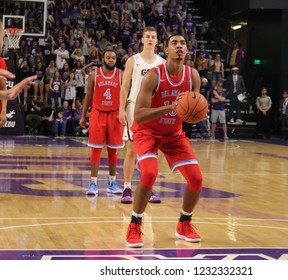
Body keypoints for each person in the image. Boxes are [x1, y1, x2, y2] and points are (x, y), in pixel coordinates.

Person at [125, 34, 203, 248]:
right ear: (166, 51)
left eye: (183, 43)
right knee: (149, 172)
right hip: (146, 131)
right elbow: (139, 114)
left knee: (196, 178)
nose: (179, 46)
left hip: (173, 134)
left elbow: (193, 109)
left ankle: (184, 223)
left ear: (187, 50)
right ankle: (134, 224)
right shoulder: (153, 75)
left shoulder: (192, 76)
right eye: (174, 43)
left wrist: (195, 112)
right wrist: (171, 107)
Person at [119, 27, 164, 204]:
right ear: (142, 40)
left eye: (153, 37)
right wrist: (121, 109)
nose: (151, 39)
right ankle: (127, 187)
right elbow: (124, 86)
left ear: (157, 41)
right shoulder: (133, 60)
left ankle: (149, 187)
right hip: (134, 108)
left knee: (152, 151)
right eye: (148, 37)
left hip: (154, 110)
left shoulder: (161, 62)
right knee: (132, 150)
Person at [79, 50, 124, 195]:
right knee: (96, 149)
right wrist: (83, 116)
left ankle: (112, 182)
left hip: (115, 114)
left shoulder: (121, 74)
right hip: (98, 113)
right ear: (103, 59)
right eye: (108, 57)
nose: (111, 60)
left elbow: (126, 95)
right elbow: (88, 95)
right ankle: (93, 183)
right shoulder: (94, 74)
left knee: (113, 150)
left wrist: (124, 112)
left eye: (113, 58)